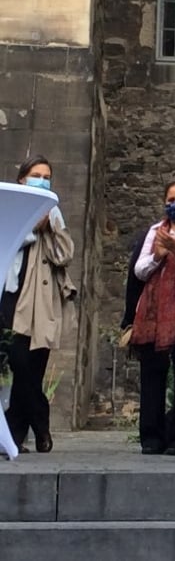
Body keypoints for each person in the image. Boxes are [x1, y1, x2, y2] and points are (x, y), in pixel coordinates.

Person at [0, 155, 76, 453]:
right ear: (22, 178)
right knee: (18, 363)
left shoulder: (52, 211)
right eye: (36, 175)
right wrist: (30, 229)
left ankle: (16, 436)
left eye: (46, 176)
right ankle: (41, 425)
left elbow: (64, 255)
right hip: (11, 295)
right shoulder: (11, 208)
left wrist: (47, 229)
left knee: (34, 368)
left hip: (40, 301)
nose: (42, 180)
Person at [130, 180, 175, 455]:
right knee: (152, 375)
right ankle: (151, 437)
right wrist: (158, 256)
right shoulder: (154, 232)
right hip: (154, 315)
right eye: (171, 200)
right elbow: (139, 271)